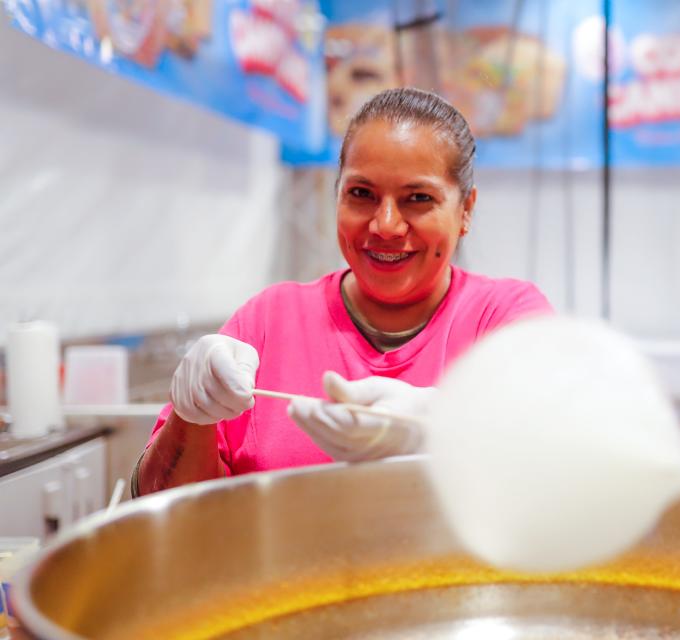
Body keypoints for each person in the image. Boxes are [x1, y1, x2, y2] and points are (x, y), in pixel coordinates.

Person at [134, 87, 552, 496]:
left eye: (418, 198)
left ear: (465, 211)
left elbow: (567, 451)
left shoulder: (503, 319)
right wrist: (191, 419)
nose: (385, 225)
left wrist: (444, 422)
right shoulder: (268, 321)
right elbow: (162, 503)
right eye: (361, 194)